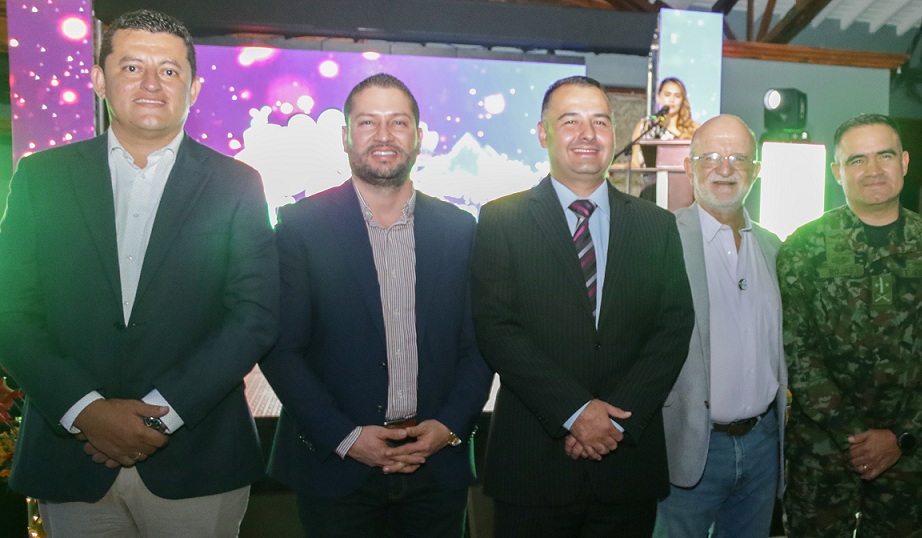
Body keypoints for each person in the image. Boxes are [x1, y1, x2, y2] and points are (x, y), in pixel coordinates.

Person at [0, 9, 277, 536]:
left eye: (169, 71)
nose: (152, 83)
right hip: (71, 459)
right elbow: (10, 309)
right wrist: (86, 411)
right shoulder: (42, 178)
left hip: (198, 459)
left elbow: (255, 317)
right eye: (132, 67)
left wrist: (161, 414)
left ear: (193, 89)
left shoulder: (237, 185)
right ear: (100, 80)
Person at [260, 74, 492, 536]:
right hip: (336, 468)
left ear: (419, 138)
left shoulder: (460, 229)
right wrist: (347, 438)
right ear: (345, 137)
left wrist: (446, 427)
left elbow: (481, 343)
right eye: (368, 122)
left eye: (398, 122)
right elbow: (280, 349)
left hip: (436, 467)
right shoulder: (300, 227)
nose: (383, 135)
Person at [470, 75, 694, 537]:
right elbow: (496, 329)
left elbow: (673, 327)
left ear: (613, 132)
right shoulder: (501, 219)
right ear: (543, 132)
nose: (587, 134)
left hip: (627, 463)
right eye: (570, 121)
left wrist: (611, 421)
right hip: (533, 467)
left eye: (600, 121)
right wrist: (575, 412)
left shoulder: (657, 225)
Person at [779, 114, 922, 537]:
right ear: (837, 172)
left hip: (910, 455)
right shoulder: (803, 248)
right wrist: (853, 435)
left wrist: (900, 436)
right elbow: (796, 352)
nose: (873, 170)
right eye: (857, 160)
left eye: (884, 155)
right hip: (823, 454)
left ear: (905, 162)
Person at [654, 114, 785, 537]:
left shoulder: (774, 249)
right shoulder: (661, 242)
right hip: (691, 449)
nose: (724, 168)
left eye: (738, 158)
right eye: (709, 157)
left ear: (757, 171)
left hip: (764, 446)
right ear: (689, 167)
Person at [629, 77, 700, 169]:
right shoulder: (645, 126)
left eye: (677, 96)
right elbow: (635, 163)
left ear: (683, 100)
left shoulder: (694, 128)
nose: (672, 100)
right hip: (652, 181)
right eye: (667, 95)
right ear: (658, 97)